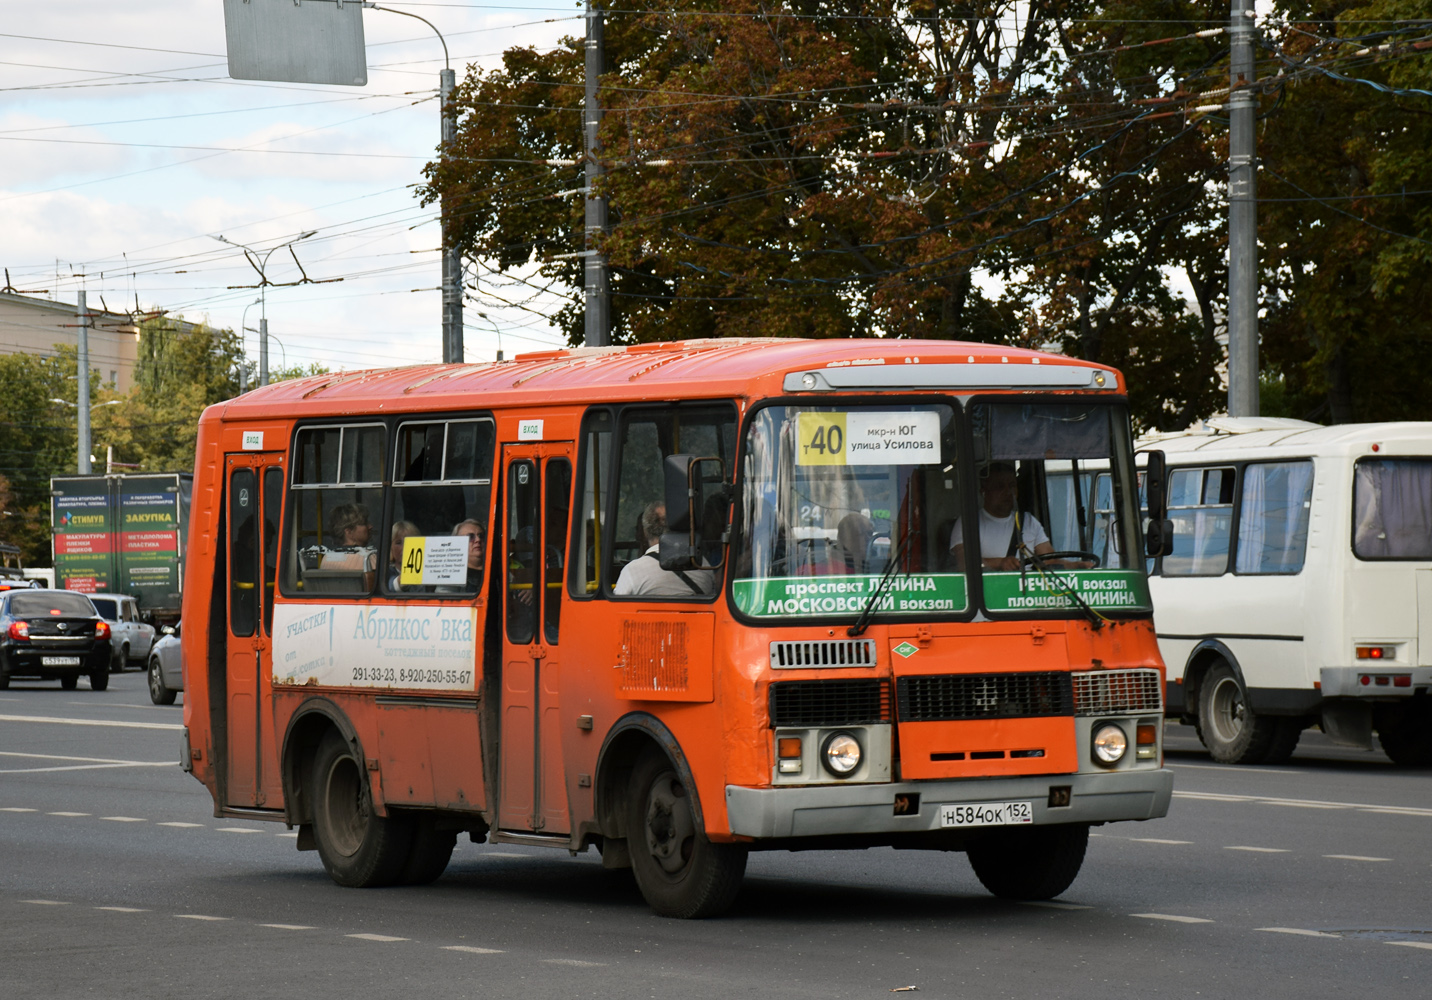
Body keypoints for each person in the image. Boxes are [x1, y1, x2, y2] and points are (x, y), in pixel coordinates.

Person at [950, 462, 1056, 571]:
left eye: (1012, 486)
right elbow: (965, 563)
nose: (1008, 492)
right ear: (983, 491)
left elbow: (1050, 559)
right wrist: (1001, 562)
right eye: (999, 486)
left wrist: (1072, 565)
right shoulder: (968, 522)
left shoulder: (1029, 521)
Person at [614, 502, 714, 597]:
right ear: (673, 528)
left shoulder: (632, 571)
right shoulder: (702, 564)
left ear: (645, 532)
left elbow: (615, 609)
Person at [386, 519, 419, 590]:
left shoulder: (425, 569)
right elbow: (389, 587)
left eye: (409, 542)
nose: (404, 547)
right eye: (398, 543)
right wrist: (401, 581)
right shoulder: (386, 571)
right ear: (390, 547)